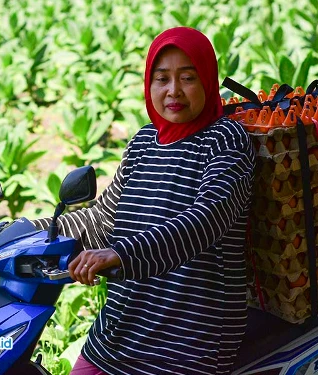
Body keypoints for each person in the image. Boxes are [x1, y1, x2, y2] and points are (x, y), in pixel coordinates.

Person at [33, 26, 255, 375]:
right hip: (119, 331)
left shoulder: (226, 139)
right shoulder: (144, 141)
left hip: (187, 343)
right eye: (162, 78)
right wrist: (30, 230)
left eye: (187, 78)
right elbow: (105, 218)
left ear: (208, 81)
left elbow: (207, 218)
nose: (173, 91)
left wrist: (121, 254)